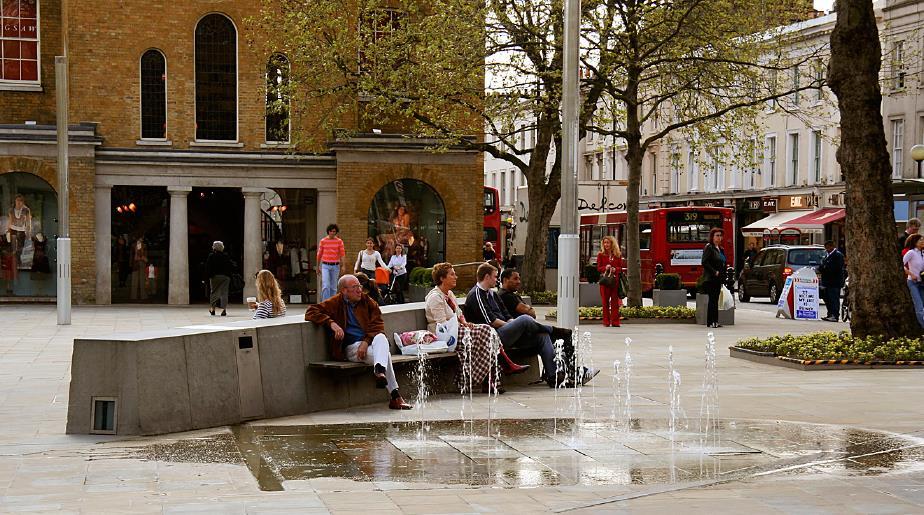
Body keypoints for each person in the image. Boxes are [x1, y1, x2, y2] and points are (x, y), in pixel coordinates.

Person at [464, 263, 598, 387]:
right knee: (524, 319)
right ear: (486, 277)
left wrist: (513, 324)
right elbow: (491, 321)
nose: (496, 280)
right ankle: (553, 330)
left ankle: (554, 376)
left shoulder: (492, 294)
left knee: (542, 336)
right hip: (491, 336)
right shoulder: (476, 294)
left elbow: (506, 314)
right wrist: (513, 325)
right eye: (495, 277)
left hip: (505, 332)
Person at [304, 274, 413, 410]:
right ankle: (394, 395)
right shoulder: (335, 302)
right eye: (355, 287)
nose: (359, 290)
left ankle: (380, 372)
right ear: (344, 290)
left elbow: (378, 325)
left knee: (381, 337)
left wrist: (366, 342)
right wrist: (331, 323)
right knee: (385, 355)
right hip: (351, 348)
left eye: (359, 286)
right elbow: (311, 311)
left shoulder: (367, 302)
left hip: (370, 344)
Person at [425, 263, 529, 394]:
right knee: (487, 331)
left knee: (487, 337)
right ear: (442, 279)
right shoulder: (435, 297)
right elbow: (442, 324)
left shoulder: (449, 294)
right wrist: (463, 325)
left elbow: (458, 314)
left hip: (457, 330)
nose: (456, 277)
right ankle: (501, 369)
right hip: (444, 334)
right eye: (452, 274)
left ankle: (491, 380)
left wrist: (465, 322)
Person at [700, 228, 727, 329]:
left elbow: (722, 262)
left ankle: (715, 321)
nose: (719, 238)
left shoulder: (721, 249)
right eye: (717, 235)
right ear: (712, 237)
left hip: (718, 278)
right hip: (711, 278)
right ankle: (711, 321)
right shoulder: (709, 247)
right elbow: (704, 262)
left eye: (720, 235)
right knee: (712, 300)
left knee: (715, 300)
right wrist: (714, 271)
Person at [596, 235, 623, 327]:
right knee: (605, 302)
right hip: (605, 281)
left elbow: (620, 268)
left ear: (612, 243)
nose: (606, 244)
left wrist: (616, 269)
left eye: (608, 242)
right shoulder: (601, 254)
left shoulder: (617, 254)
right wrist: (605, 268)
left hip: (615, 281)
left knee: (615, 302)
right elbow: (599, 268)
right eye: (604, 243)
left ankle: (615, 321)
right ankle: (606, 321)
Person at [316, 224, 346, 301]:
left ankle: (333, 303)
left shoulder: (339, 241)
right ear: (328, 232)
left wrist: (343, 266)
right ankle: (325, 303)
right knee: (326, 285)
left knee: (333, 287)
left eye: (334, 231)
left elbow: (342, 254)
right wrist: (317, 267)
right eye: (331, 231)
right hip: (325, 265)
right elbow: (319, 254)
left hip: (336, 266)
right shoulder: (323, 241)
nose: (332, 233)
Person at [819, 240, 845, 322]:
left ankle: (835, 315)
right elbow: (823, 265)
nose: (826, 249)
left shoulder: (837, 255)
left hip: (834, 282)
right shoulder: (828, 255)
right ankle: (829, 314)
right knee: (827, 298)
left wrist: (824, 268)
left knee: (834, 299)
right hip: (827, 281)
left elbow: (834, 268)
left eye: (827, 247)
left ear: (831, 246)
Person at [206, 240, 233, 316]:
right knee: (224, 293)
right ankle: (223, 310)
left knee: (214, 292)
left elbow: (208, 267)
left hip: (214, 276)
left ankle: (213, 309)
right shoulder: (226, 256)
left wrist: (207, 277)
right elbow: (230, 266)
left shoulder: (211, 256)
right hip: (225, 277)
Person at [902, 234, 924, 328]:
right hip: (913, 283)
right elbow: (900, 264)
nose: (923, 242)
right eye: (920, 240)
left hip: (922, 283)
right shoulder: (911, 253)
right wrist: (911, 274)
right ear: (914, 242)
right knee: (919, 308)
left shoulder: (923, 253)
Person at [8, 194, 31, 268]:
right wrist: (8, 231)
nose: (19, 202)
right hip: (13, 229)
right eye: (17, 200)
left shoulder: (26, 210)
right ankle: (14, 262)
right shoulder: (11, 210)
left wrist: (28, 231)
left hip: (22, 230)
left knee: (20, 247)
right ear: (15, 201)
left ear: (23, 202)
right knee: (13, 247)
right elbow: (10, 220)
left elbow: (28, 221)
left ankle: (18, 261)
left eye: (21, 201)